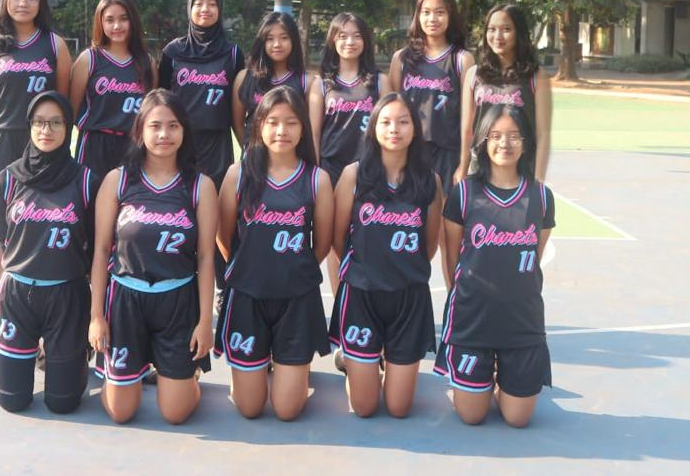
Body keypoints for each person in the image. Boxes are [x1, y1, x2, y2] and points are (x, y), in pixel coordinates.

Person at [88, 90, 218, 425]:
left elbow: (206, 257)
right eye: (155, 126)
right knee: (120, 412)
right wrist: (96, 316)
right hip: (126, 299)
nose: (164, 134)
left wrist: (205, 322)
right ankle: (124, 376)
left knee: (176, 413)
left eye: (173, 126)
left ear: (184, 130)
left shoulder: (199, 186)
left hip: (177, 300)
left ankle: (185, 378)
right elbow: (101, 251)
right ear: (140, 130)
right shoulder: (118, 181)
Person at [215, 87, 334, 421]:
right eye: (273, 122)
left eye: (292, 122)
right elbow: (224, 237)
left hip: (296, 296)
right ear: (259, 126)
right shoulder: (238, 174)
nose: (282, 130)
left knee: (287, 410)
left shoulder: (317, 180)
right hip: (248, 294)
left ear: (303, 128)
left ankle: (294, 370)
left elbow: (322, 244)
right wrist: (249, 266)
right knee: (250, 408)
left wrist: (292, 269)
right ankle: (265, 367)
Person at [434, 104, 554, 427]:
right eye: (496, 135)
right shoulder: (463, 193)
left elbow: (534, 257)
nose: (505, 143)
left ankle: (504, 379)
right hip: (474, 319)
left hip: (522, 321)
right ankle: (480, 380)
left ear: (526, 142)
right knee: (472, 416)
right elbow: (453, 258)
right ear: (483, 141)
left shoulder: (541, 197)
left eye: (514, 136)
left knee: (518, 419)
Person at [0, 91, 97, 414]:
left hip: (67, 295)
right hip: (18, 295)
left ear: (68, 128)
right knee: (11, 400)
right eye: (40, 122)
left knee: (63, 403)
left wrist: (93, 310)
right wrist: (4, 286)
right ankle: (33, 350)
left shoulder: (87, 181)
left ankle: (73, 356)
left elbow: (96, 247)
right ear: (29, 126)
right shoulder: (6, 181)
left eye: (56, 122)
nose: (47, 130)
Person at [329, 93, 441, 418]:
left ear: (415, 129)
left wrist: (400, 268)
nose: (395, 129)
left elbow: (429, 244)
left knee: (398, 408)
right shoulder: (354, 175)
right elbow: (338, 240)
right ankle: (354, 363)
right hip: (362, 295)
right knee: (364, 407)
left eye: (403, 122)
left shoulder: (429, 181)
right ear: (373, 128)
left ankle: (378, 361)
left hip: (409, 297)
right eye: (386, 121)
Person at [0, 0, 72, 200]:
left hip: (41, 138)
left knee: (40, 208)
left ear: (40, 3)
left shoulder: (55, 45)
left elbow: (61, 98)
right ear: (5, 1)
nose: (23, 3)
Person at [389, 0, 474, 200]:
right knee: (409, 213)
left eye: (440, 12)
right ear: (418, 16)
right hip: (409, 151)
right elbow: (390, 112)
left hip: (447, 153)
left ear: (451, 16)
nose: (432, 19)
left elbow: (468, 119)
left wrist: (464, 165)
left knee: (444, 216)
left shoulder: (462, 60)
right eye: (426, 12)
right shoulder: (401, 59)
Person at [159, 0, 243, 188]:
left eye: (212, 4)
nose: (205, 9)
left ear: (220, 10)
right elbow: (160, 99)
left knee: (215, 199)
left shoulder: (232, 53)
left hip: (217, 144)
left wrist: (246, 145)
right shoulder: (173, 52)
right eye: (198, 4)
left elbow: (238, 105)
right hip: (179, 141)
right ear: (189, 9)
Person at [459, 4, 552, 183]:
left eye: (506, 29)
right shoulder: (474, 75)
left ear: (519, 33)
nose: (498, 36)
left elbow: (543, 134)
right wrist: (463, 168)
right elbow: (467, 130)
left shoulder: (536, 76)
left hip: (522, 172)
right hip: (480, 170)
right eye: (492, 29)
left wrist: (538, 179)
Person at [70, 0, 156, 175]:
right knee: (91, 193)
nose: (117, 26)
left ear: (133, 20)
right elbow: (72, 111)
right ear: (100, 23)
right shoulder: (89, 59)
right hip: (94, 144)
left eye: (124, 19)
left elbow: (151, 110)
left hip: (133, 145)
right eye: (109, 20)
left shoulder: (147, 62)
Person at [309, 12, 388, 183]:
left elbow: (388, 126)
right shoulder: (321, 83)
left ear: (365, 41)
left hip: (368, 166)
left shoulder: (380, 81)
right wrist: (315, 171)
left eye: (357, 36)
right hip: (330, 167)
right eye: (343, 36)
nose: (350, 42)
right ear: (333, 41)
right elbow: (314, 133)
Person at [232, 12, 309, 144]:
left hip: (289, 154)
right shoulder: (243, 78)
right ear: (262, 42)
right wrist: (249, 149)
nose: (277, 44)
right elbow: (237, 124)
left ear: (294, 40)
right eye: (270, 39)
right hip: (254, 153)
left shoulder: (307, 82)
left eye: (284, 38)